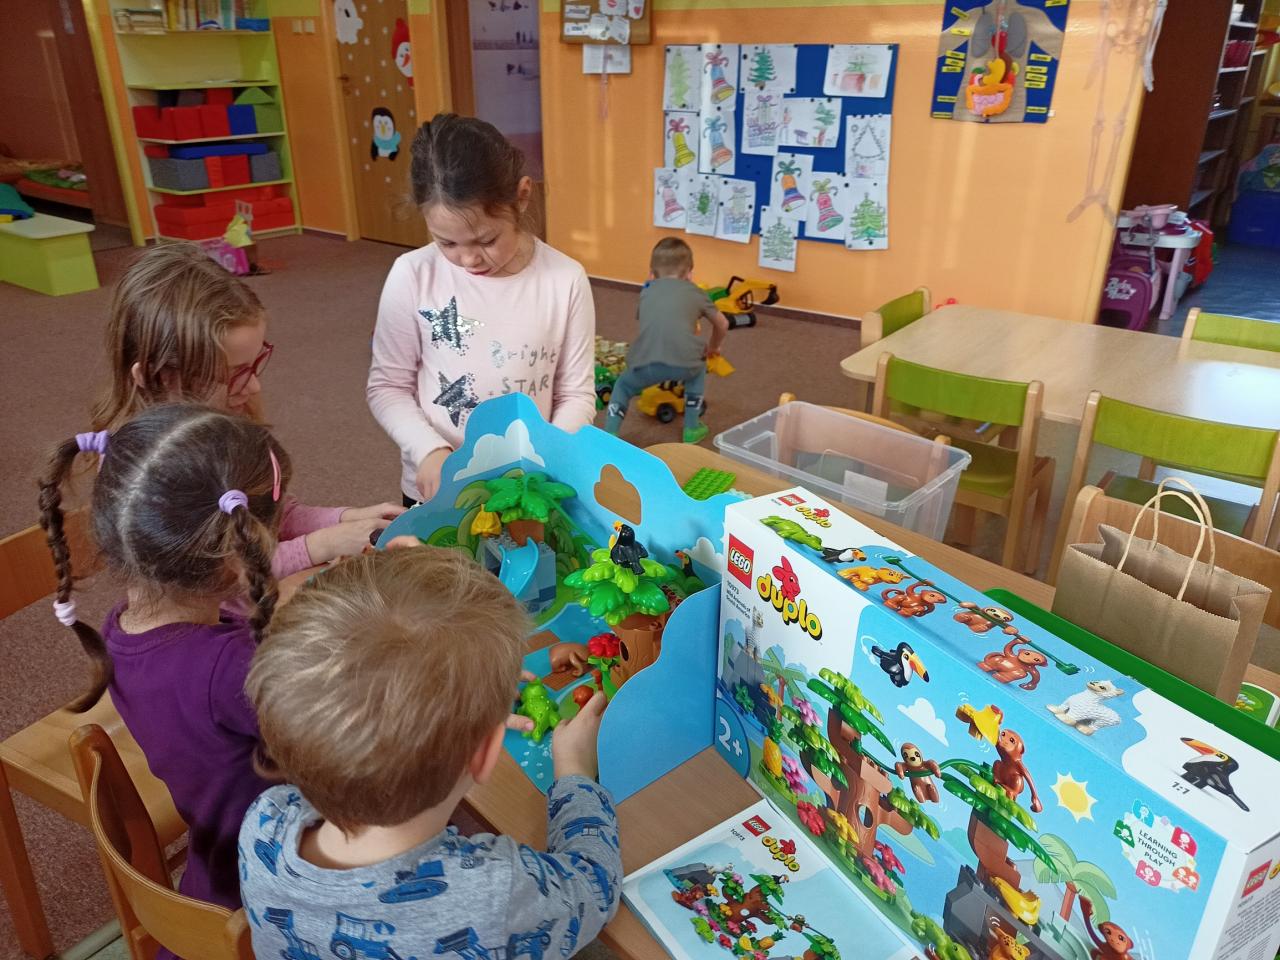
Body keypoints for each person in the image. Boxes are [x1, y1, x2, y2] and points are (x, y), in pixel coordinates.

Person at [239, 548, 620, 959]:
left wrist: (469, 707)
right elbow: (595, 887)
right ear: (483, 756)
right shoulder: (497, 897)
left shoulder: (264, 822)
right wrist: (575, 775)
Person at [38, 404, 286, 912]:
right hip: (271, 886)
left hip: (216, 863)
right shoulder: (229, 670)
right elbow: (355, 753)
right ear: (240, 550)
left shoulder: (120, 629)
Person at [93, 242, 403, 576]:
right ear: (157, 376)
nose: (253, 386)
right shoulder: (147, 469)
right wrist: (321, 545)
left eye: (256, 362)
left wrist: (345, 518)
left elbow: (270, 514)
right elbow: (214, 576)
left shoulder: (228, 418)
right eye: (234, 373)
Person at [368, 114, 596, 508]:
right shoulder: (412, 274)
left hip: (530, 484)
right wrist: (428, 450)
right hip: (439, 487)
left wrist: (548, 458)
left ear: (522, 196)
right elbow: (387, 386)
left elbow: (576, 394)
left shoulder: (565, 279)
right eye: (447, 243)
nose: (469, 259)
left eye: (487, 240)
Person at [604, 238, 729, 443]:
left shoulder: (646, 292)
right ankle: (691, 428)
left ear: (651, 274)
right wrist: (714, 347)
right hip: (686, 364)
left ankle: (610, 433)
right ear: (690, 274)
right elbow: (722, 324)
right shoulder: (697, 293)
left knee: (623, 386)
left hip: (646, 362)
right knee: (698, 371)